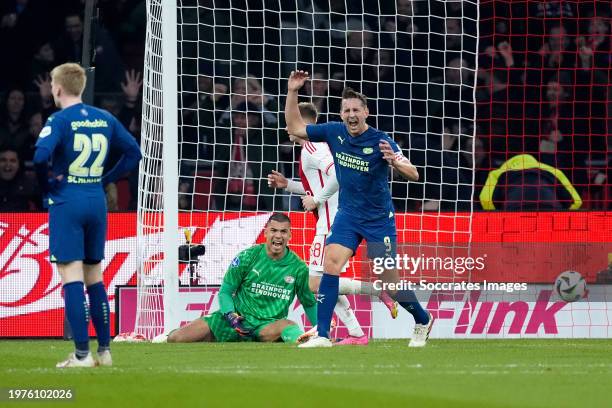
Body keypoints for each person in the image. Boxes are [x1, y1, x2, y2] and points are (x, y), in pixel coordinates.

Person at [284, 70, 433, 348]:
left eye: (356, 110)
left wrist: (395, 162)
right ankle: (323, 336)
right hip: (348, 216)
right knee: (331, 265)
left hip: (378, 221)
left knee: (391, 285)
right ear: (341, 114)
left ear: (366, 112)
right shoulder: (333, 132)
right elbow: (294, 128)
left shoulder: (381, 140)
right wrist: (293, 91)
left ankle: (422, 319)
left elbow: (414, 173)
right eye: (346, 110)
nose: (351, 115)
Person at [33, 63, 142, 368]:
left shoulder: (59, 119)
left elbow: (40, 156)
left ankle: (82, 354)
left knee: (71, 276)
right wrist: (106, 178)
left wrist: (48, 186)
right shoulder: (104, 118)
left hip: (68, 201)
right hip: (96, 201)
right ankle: (105, 352)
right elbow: (134, 152)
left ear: (57, 88)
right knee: (95, 278)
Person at [267, 102, 399, 345]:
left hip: (331, 222)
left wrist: (317, 199)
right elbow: (318, 185)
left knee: (316, 282)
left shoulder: (313, 148)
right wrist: (289, 185)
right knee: (326, 279)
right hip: (329, 219)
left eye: (291, 123)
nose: (288, 128)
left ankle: (375, 291)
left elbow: (338, 175)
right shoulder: (314, 148)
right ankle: (356, 333)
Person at [153, 213, 318, 344]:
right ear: (266, 233)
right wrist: (230, 316)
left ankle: (305, 340)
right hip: (234, 320)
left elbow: (308, 302)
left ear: (290, 235)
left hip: (266, 327)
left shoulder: (298, 268)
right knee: (176, 339)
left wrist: (320, 329)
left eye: (283, 231)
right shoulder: (247, 257)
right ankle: (172, 334)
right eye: (274, 230)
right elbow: (225, 292)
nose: (278, 236)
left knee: (288, 325)